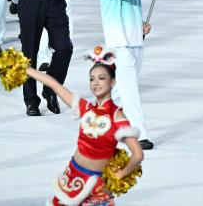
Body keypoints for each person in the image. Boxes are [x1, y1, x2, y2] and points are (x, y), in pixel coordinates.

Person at [26, 47, 144, 205]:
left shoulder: (117, 117)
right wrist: (24, 68)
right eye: (92, 79)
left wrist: (120, 175)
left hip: (96, 186)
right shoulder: (86, 108)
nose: (96, 83)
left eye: (101, 78)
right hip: (72, 178)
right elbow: (53, 84)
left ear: (112, 81)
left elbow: (138, 154)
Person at [95, 0, 167, 150]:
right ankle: (139, 134)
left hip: (135, 38)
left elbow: (132, 3)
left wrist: (140, 24)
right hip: (119, 42)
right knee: (130, 90)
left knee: (121, 89)